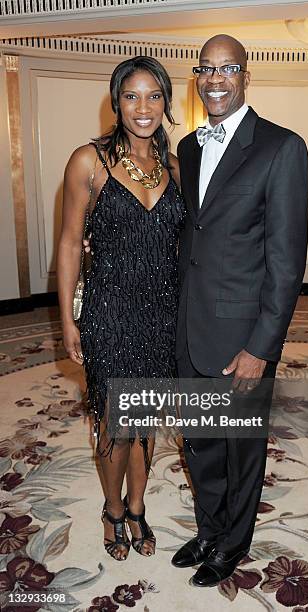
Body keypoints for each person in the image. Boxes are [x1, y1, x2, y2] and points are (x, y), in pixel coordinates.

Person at [171, 34, 308, 587]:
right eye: (206, 69)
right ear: (197, 77)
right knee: (200, 440)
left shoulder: (281, 147)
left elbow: (286, 261)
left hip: (243, 334)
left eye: (227, 69)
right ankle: (209, 529)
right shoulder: (187, 147)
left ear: (246, 76)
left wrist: (262, 346)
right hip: (190, 324)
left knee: (240, 449)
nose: (215, 79)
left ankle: (233, 544)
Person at [57, 57, 185, 562]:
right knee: (115, 423)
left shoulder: (175, 167)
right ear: (116, 102)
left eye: (154, 96)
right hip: (109, 313)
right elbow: (69, 244)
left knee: (146, 419)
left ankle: (137, 507)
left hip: (161, 314)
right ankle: (112, 510)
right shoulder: (88, 161)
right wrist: (68, 317)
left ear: (166, 103)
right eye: (132, 96)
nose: (143, 107)